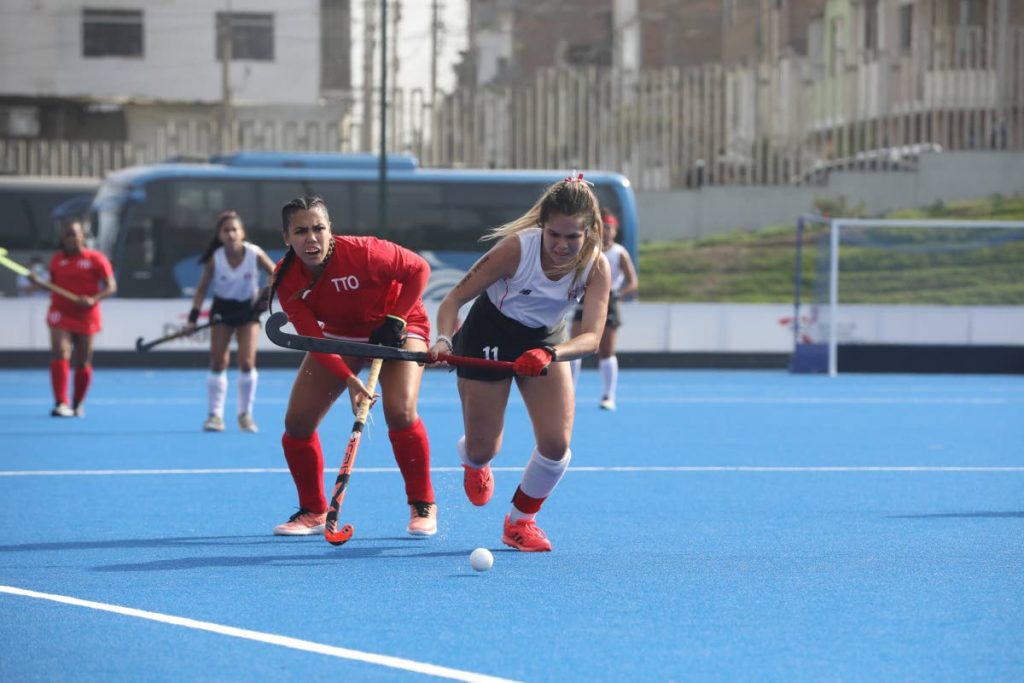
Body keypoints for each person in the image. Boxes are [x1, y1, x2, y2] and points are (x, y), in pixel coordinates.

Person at [427, 174, 612, 552]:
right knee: (484, 448)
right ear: (542, 227)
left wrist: (550, 353)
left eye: (572, 237)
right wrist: (445, 340)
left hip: (544, 339)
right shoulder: (515, 250)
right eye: (554, 235)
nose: (562, 245)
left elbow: (592, 338)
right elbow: (452, 301)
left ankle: (520, 521)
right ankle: (474, 463)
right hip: (488, 333)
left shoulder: (596, 266)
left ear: (589, 233)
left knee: (556, 444)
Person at [267, 195, 438, 537]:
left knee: (400, 412)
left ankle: (423, 503)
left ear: (331, 230)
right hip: (338, 339)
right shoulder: (286, 279)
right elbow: (314, 339)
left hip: (399, 329)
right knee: (297, 422)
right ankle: (314, 510)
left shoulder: (365, 252)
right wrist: (348, 379)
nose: (311, 238)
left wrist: (396, 318)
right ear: (286, 238)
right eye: (301, 231)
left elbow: (419, 268)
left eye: (319, 228)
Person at [184, 210, 276, 433]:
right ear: (220, 235)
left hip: (248, 310)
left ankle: (245, 415)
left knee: (246, 362)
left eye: (235, 230)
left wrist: (264, 300)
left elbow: (276, 274)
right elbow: (202, 289)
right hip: (223, 310)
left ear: (242, 232)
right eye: (226, 231)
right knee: (218, 362)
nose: (231, 234)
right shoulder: (215, 259)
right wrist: (193, 319)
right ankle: (215, 416)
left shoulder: (254, 253)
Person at [38, 220, 117, 417]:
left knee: (83, 361)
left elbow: (111, 287)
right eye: (67, 235)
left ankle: (77, 402)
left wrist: (93, 299)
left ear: (83, 236)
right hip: (60, 312)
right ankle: (60, 403)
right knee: (61, 352)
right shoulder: (56, 260)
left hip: (86, 314)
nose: (71, 239)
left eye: (75, 234)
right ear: (62, 239)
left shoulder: (96, 259)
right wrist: (36, 282)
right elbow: (51, 285)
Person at [569, 210, 639, 411]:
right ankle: (569, 392)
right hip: (586, 298)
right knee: (573, 347)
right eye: (603, 228)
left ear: (615, 231)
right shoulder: (587, 251)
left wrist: (618, 294)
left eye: (609, 228)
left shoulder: (618, 253)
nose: (606, 232)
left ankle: (609, 395)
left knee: (606, 350)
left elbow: (633, 281)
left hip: (609, 300)